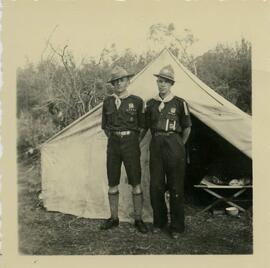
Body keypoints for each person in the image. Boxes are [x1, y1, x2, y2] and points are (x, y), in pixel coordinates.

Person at [144, 65, 192, 239]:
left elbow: (187, 128)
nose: (162, 84)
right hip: (156, 144)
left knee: (175, 187)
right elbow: (146, 126)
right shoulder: (151, 104)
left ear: (171, 84)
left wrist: (179, 145)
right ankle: (159, 222)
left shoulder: (180, 103)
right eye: (159, 81)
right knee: (156, 186)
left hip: (174, 145)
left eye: (165, 82)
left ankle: (177, 227)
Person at [100, 65, 148, 234]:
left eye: (122, 80)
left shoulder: (137, 101)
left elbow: (142, 127)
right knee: (112, 182)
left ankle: (138, 219)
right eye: (115, 81)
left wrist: (131, 140)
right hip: (113, 144)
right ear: (112, 84)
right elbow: (105, 127)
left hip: (131, 144)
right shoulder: (107, 102)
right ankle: (113, 218)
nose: (119, 84)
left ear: (128, 81)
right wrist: (117, 137)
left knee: (135, 182)